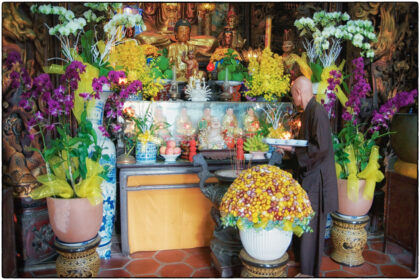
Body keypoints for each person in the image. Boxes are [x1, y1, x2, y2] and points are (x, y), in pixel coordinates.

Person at [276, 76, 338, 277]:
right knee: (305, 224)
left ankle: (310, 273)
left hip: (317, 180)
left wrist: (292, 150)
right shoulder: (309, 111)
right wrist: (291, 148)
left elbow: (320, 148)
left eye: (293, 94)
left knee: (312, 228)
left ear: (299, 92)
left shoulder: (317, 112)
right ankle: (305, 269)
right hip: (309, 176)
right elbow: (308, 144)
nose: (293, 98)